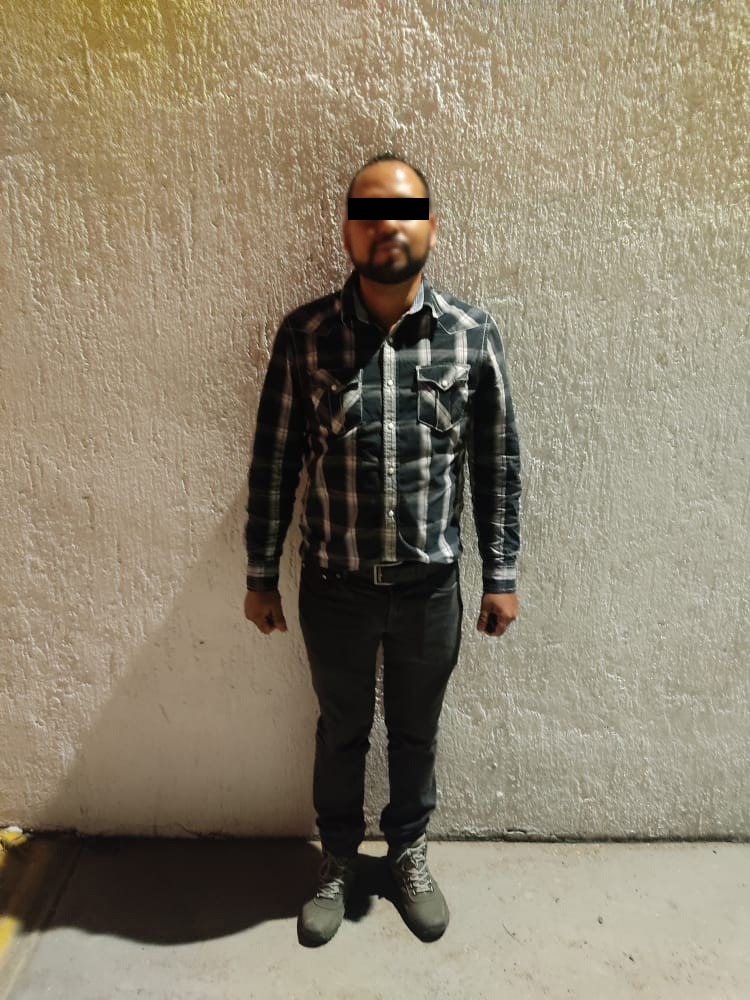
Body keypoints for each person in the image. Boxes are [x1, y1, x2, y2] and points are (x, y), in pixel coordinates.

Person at [243, 153, 522, 946]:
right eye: (368, 212)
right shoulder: (306, 336)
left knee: (415, 732)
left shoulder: (471, 335)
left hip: (430, 589)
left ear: (431, 226)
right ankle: (336, 858)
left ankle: (407, 854)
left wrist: (501, 573)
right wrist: (261, 574)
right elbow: (273, 462)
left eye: (404, 211)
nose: (386, 226)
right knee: (340, 730)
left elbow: (497, 462)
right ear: (347, 231)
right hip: (334, 587)